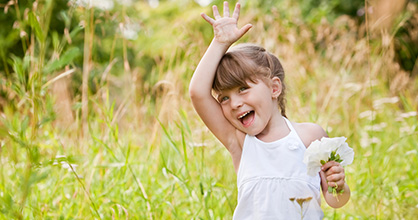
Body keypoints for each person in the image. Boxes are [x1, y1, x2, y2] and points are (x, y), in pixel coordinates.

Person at [189, 1, 351, 219]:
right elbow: (198, 93)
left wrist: (338, 184)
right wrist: (219, 43)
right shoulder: (239, 141)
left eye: (243, 89)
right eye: (224, 97)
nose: (234, 103)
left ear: (274, 88)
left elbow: (335, 200)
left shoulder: (311, 137)